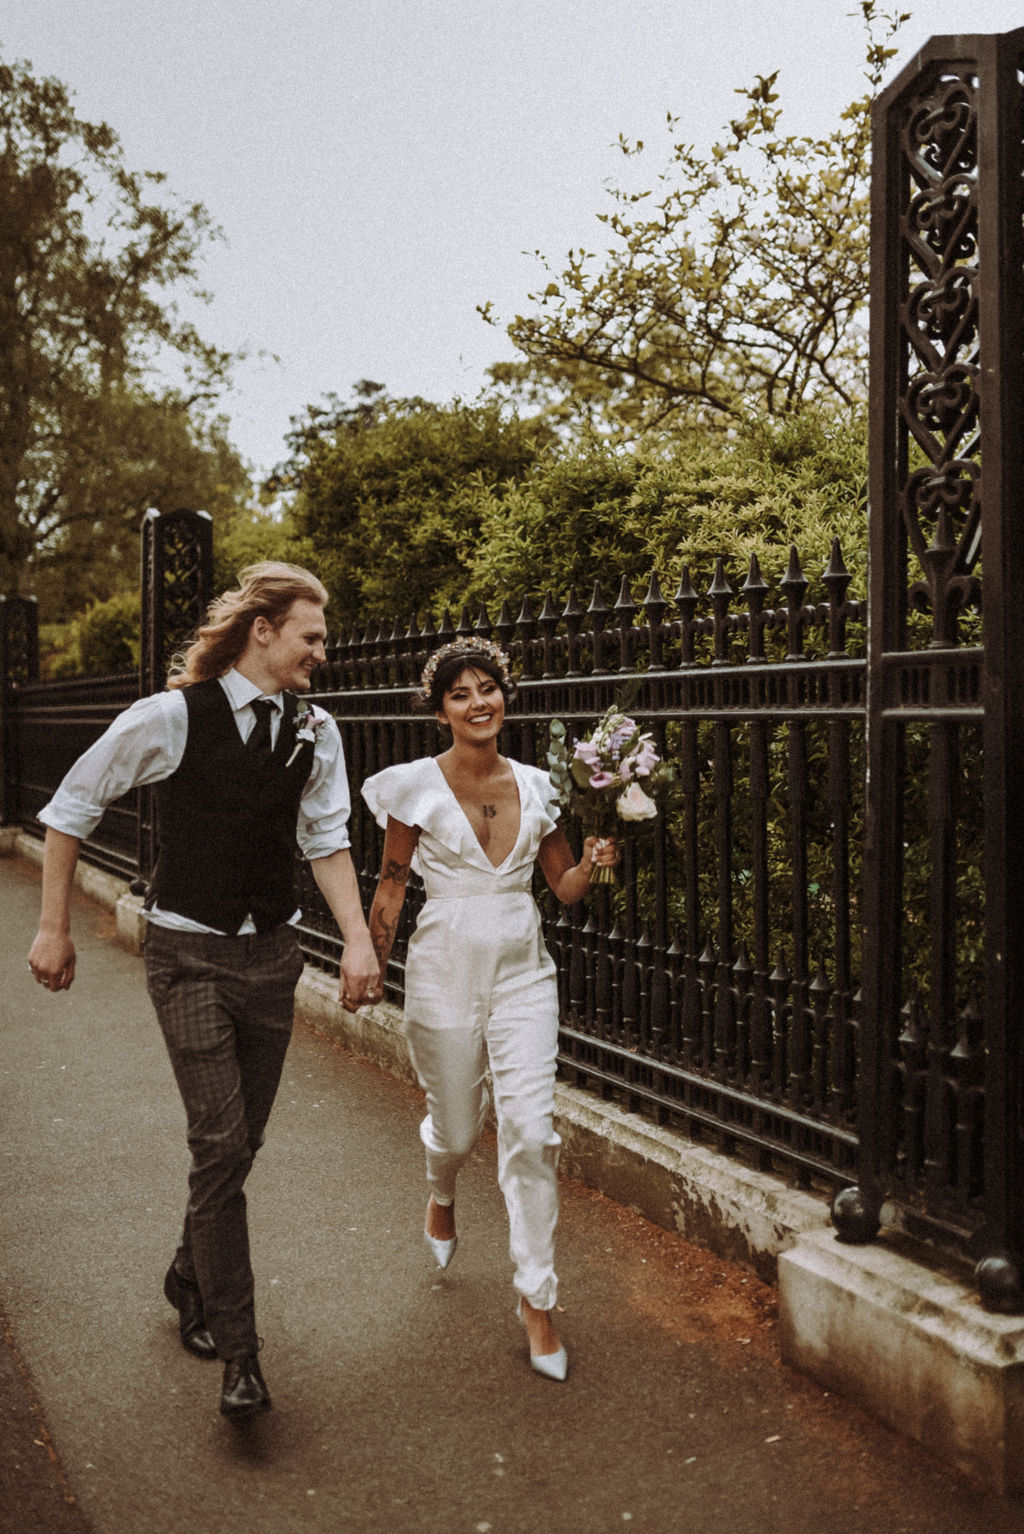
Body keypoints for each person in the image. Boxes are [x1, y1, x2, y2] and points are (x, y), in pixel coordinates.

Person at [27, 562, 379, 1420]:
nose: (321, 653)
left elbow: (325, 840)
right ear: (264, 630)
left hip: (272, 958)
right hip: (186, 954)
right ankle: (240, 1353)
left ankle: (190, 1271)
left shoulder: (316, 731)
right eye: (311, 637)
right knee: (220, 1144)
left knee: (240, 1144)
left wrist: (359, 941)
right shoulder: (171, 716)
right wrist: (53, 927)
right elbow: (70, 808)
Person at [362, 637, 618, 1382]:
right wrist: (370, 964)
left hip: (522, 977)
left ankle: (537, 1299)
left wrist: (594, 863)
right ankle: (442, 1187)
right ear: (440, 710)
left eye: (488, 688)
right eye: (461, 693)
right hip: (443, 974)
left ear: (505, 695)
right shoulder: (413, 788)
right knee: (457, 1129)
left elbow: (564, 890)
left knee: (533, 1135)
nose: (479, 703)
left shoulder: (539, 787)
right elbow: (392, 884)